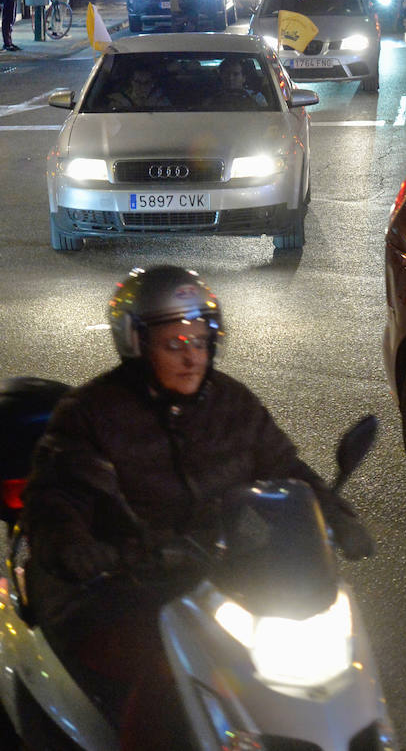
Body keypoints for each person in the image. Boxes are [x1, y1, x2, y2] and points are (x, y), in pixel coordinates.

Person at [22, 266, 374, 748]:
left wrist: (335, 514)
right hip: (121, 587)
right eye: (174, 345)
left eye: (201, 341)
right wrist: (76, 547)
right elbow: (57, 498)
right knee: (169, 672)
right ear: (138, 345)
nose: (192, 358)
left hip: (221, 573)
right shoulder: (90, 415)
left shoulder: (231, 403)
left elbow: (285, 467)